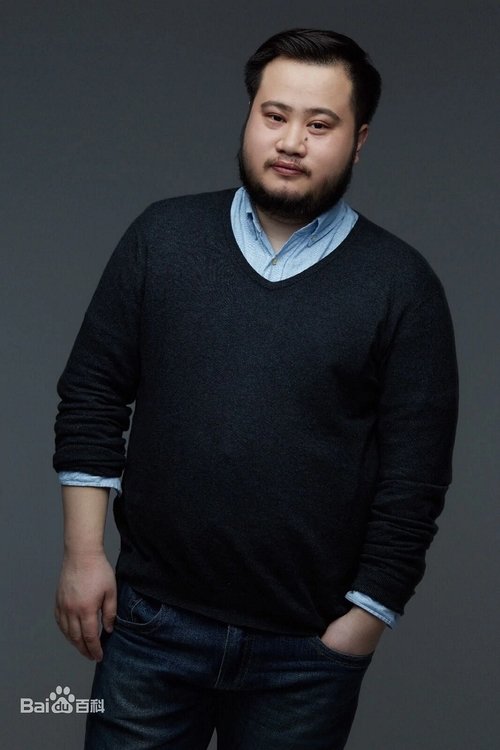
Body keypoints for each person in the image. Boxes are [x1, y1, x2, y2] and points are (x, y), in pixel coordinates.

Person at [53, 28, 458, 750]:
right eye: (275, 115)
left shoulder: (402, 287)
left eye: (320, 124)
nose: (291, 142)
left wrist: (363, 623)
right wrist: (84, 558)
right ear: (250, 116)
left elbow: (416, 477)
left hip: (304, 657)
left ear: (359, 141)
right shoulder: (162, 239)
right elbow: (92, 396)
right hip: (148, 629)